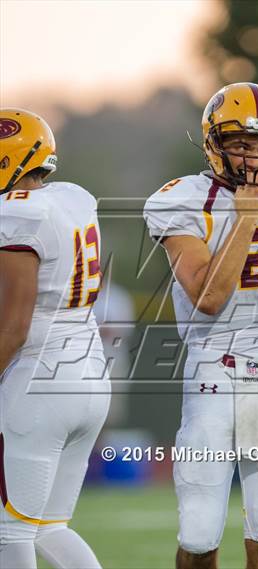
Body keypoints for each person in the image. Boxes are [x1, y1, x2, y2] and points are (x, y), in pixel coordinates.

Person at [144, 82, 258, 569]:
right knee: (200, 531)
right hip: (214, 371)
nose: (254, 159)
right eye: (242, 145)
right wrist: (245, 217)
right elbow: (209, 296)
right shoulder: (182, 200)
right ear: (214, 144)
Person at [0, 109, 110, 569]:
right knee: (49, 527)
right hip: (88, 370)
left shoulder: (16, 212)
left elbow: (15, 324)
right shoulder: (72, 199)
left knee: (10, 532)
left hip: (38, 379)